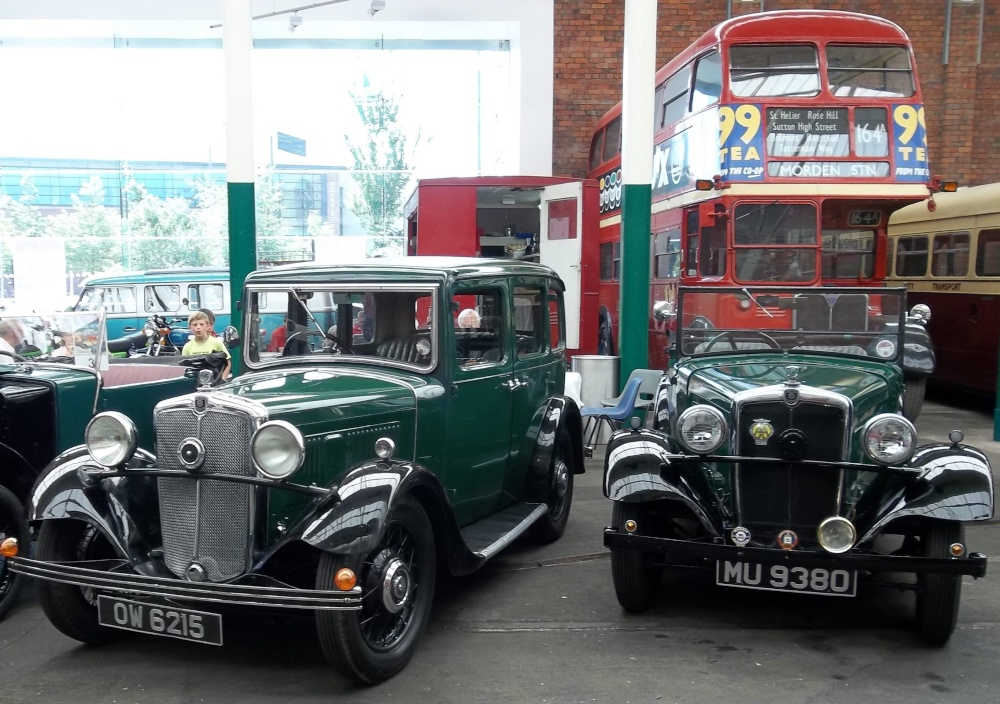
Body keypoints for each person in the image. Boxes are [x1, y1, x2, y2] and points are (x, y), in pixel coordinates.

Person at [182, 309, 231, 378]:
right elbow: (184, 368)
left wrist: (223, 379)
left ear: (208, 326)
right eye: (195, 325)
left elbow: (227, 362)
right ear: (190, 327)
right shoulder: (187, 347)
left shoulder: (217, 343)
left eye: (201, 324)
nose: (198, 327)